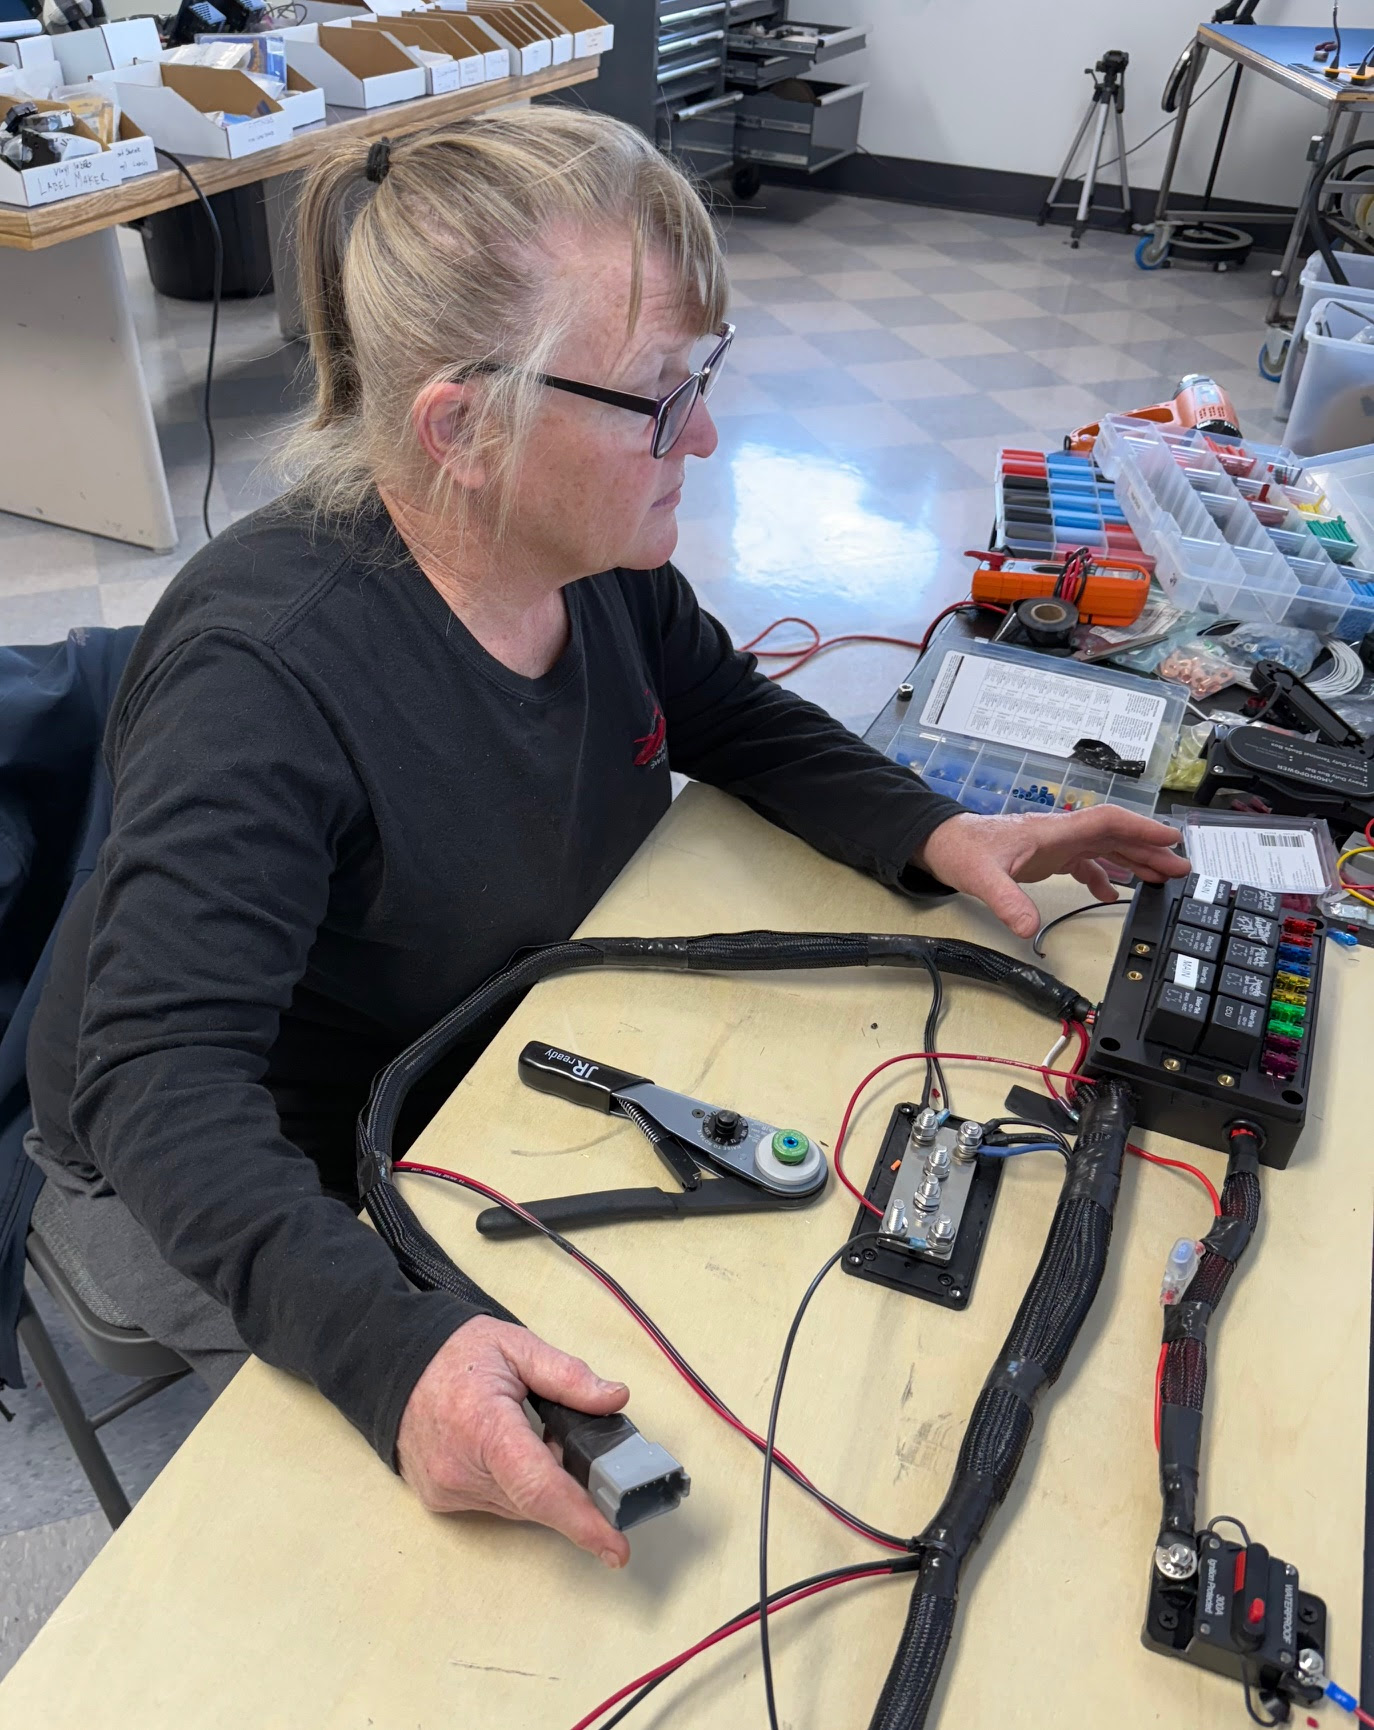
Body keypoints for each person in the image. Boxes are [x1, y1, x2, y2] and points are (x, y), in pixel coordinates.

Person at [25, 110, 1186, 1570]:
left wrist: (940, 830)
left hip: (450, 1063)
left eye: (704, 376)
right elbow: (159, 1086)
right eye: (659, 397)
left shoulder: (585, 555)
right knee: (442, 1568)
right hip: (211, 1175)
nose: (703, 436)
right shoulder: (265, 679)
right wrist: (394, 1356)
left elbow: (723, 708)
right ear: (464, 428)